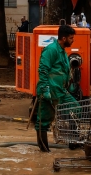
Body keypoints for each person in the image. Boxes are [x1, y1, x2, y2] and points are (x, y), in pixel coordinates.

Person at [32, 25, 78, 153]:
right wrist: (45, 89)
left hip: (61, 91)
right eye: (71, 38)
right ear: (63, 38)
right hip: (50, 91)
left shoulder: (62, 51)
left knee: (77, 109)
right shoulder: (50, 50)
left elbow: (63, 70)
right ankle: (44, 150)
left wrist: (69, 81)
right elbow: (43, 70)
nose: (72, 40)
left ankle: (73, 141)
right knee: (44, 121)